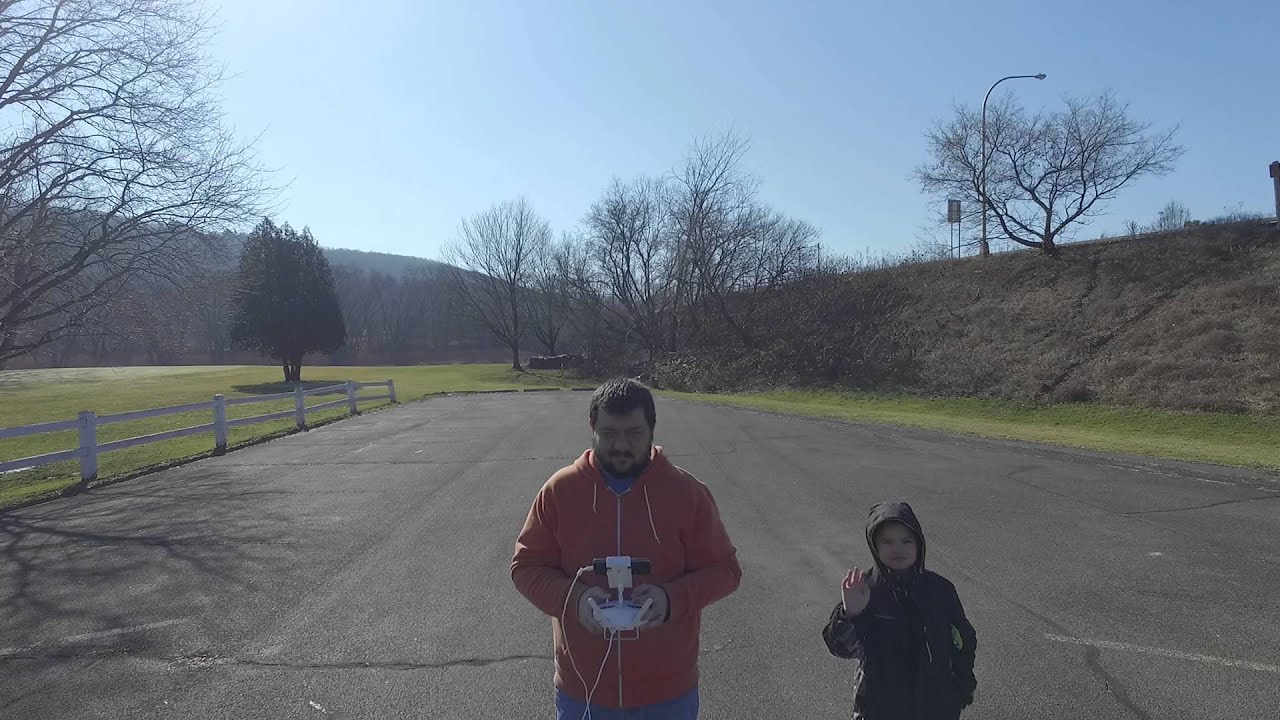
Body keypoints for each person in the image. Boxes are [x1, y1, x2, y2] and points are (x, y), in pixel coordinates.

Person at [511, 378, 742, 719]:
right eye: (609, 433)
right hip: (584, 692)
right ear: (593, 428)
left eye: (633, 433)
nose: (621, 445)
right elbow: (526, 567)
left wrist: (670, 600)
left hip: (668, 694)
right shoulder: (560, 491)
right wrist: (574, 599)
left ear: (651, 429)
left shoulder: (686, 493)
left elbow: (726, 572)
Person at [822, 501, 978, 720]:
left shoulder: (940, 590)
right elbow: (842, 649)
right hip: (880, 708)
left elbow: (964, 640)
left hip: (936, 705)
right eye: (887, 541)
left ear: (919, 544)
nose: (898, 548)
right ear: (874, 546)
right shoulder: (865, 590)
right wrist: (850, 614)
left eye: (906, 541)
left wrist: (963, 686)